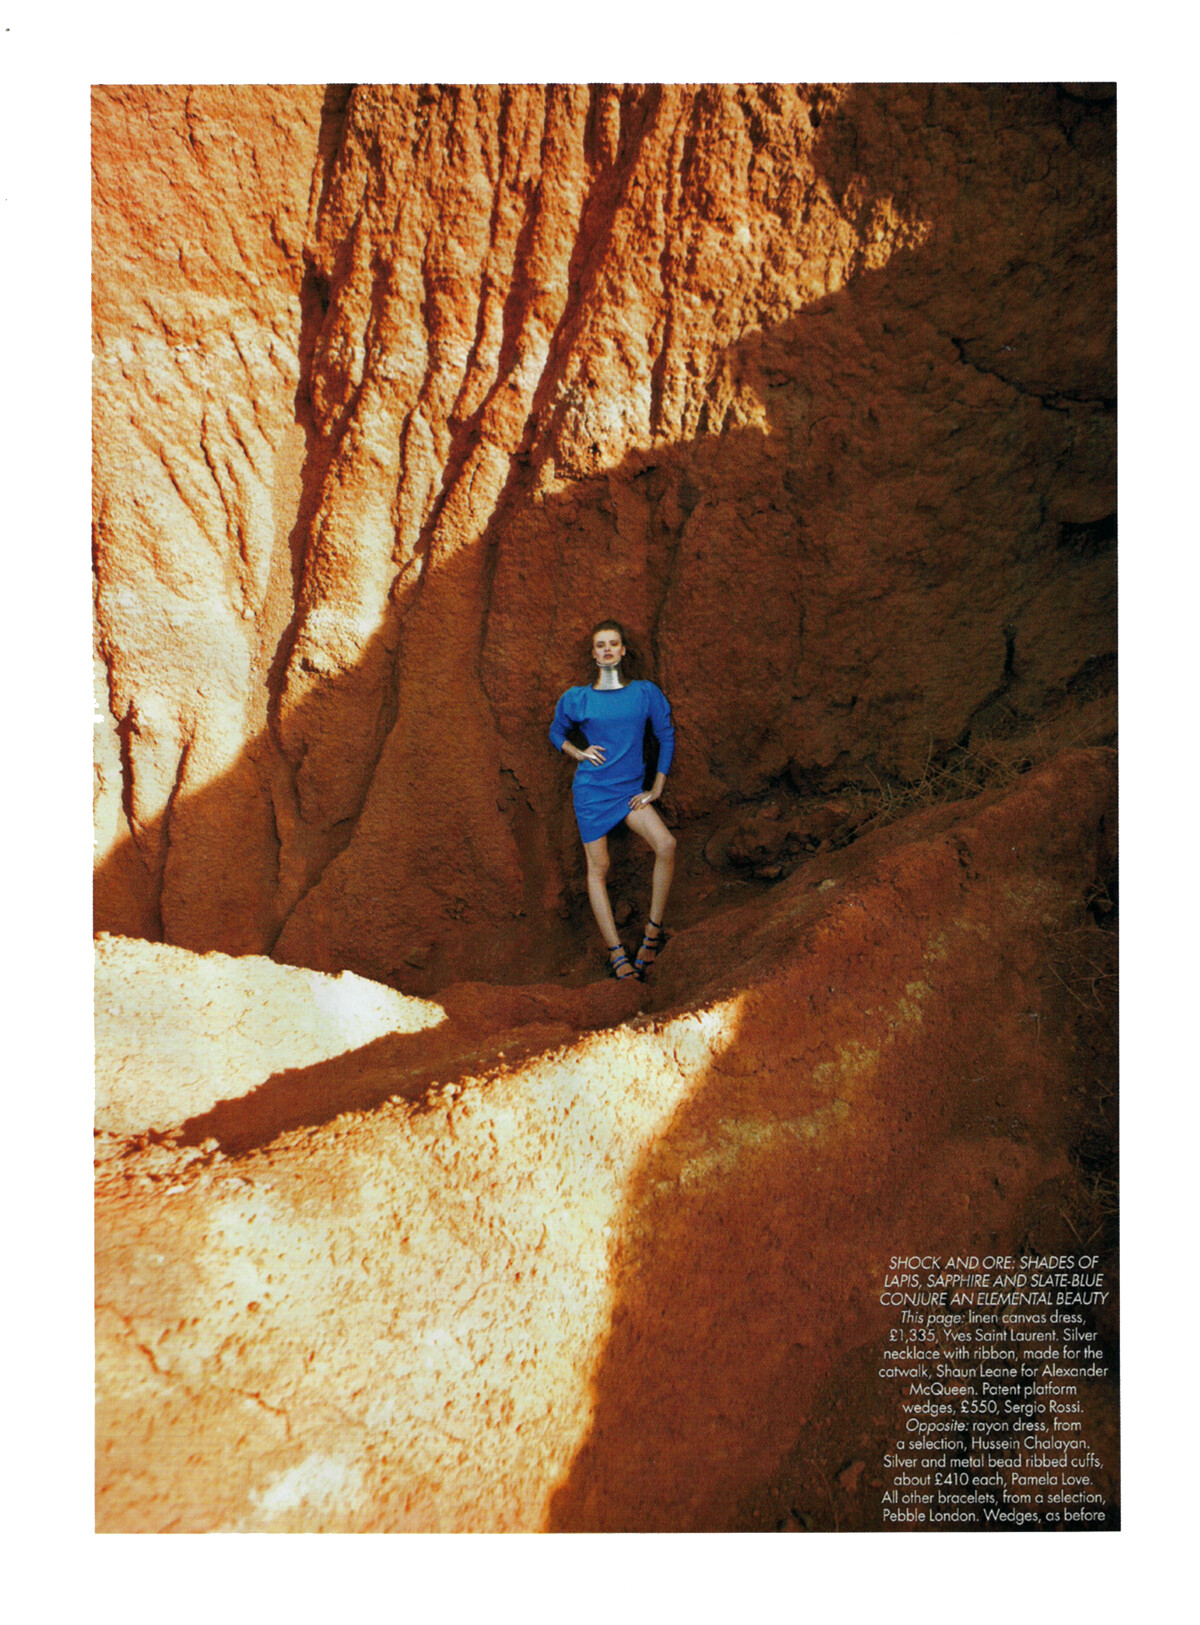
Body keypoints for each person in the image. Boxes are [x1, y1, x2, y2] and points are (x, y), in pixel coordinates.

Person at [549, 620, 676, 980]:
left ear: (623, 650)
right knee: (599, 867)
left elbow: (666, 736)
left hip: (630, 791)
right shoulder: (578, 698)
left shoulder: (645, 693)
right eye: (600, 645)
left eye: (613, 643)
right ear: (593, 653)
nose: (607, 649)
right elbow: (556, 731)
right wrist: (578, 752)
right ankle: (617, 952)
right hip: (592, 792)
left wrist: (657, 787)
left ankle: (652, 935)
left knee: (666, 844)